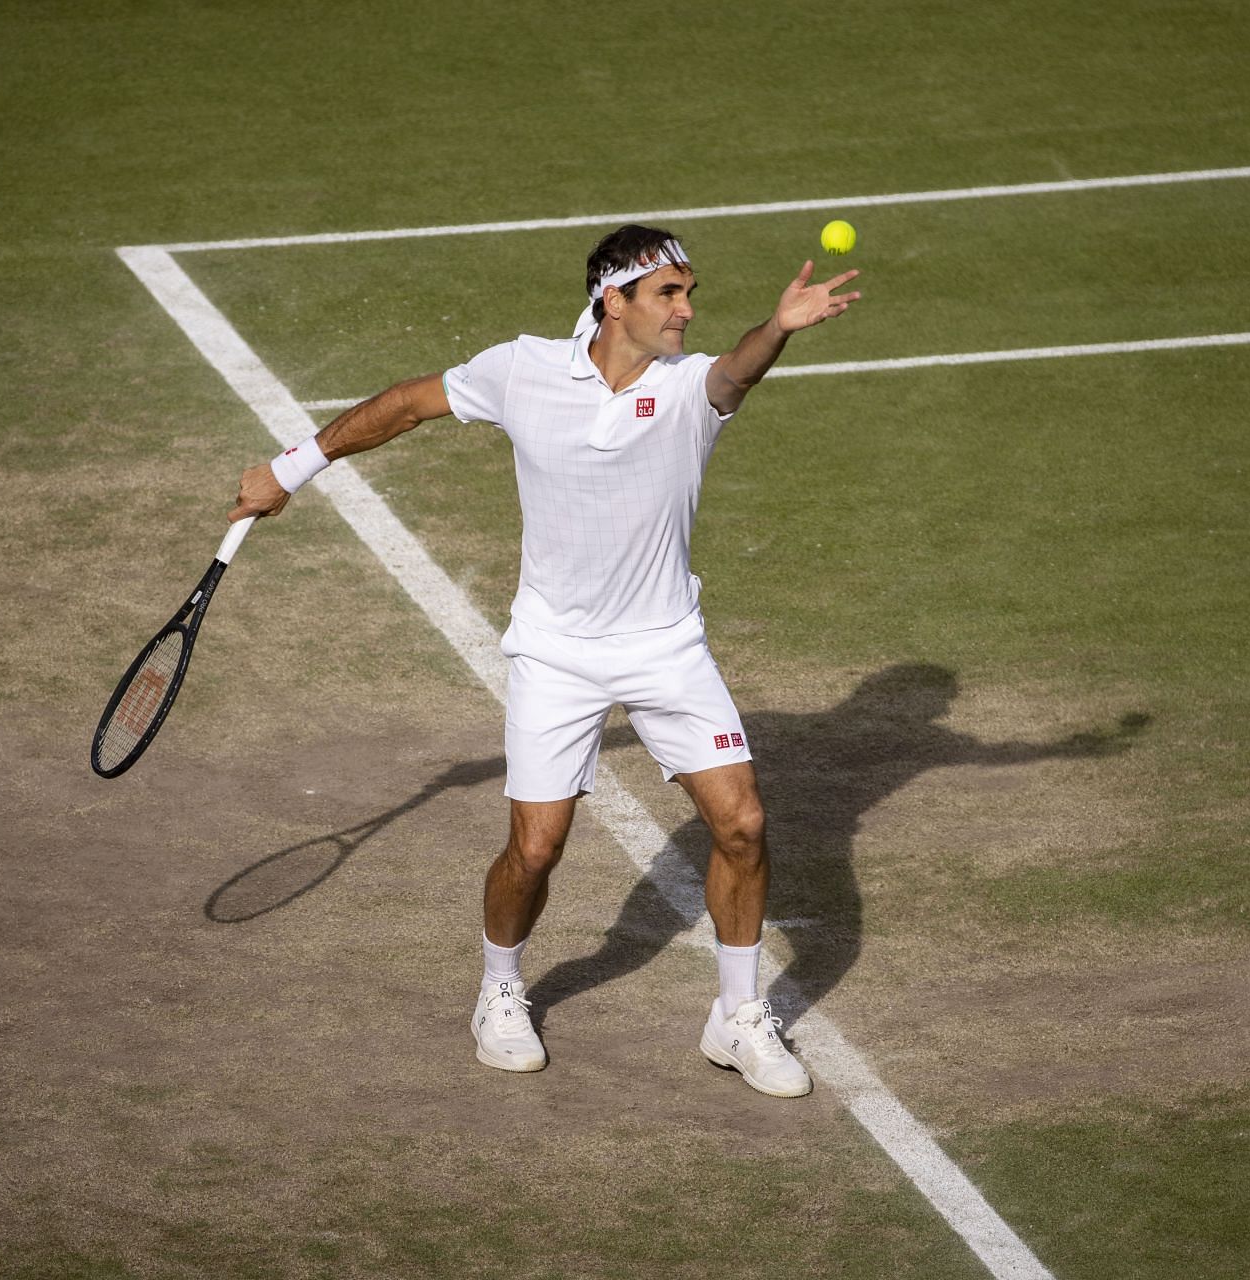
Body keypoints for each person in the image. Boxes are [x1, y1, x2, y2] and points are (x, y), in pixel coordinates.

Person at [229, 225, 861, 1098]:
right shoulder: (521, 369)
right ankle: (499, 989)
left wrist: (780, 327)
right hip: (556, 654)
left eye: (691, 293)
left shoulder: (690, 388)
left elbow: (736, 371)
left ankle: (737, 1016)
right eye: (669, 294)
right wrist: (292, 468)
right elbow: (409, 404)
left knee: (743, 825)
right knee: (535, 848)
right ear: (615, 299)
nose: (687, 310)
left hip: (665, 646)